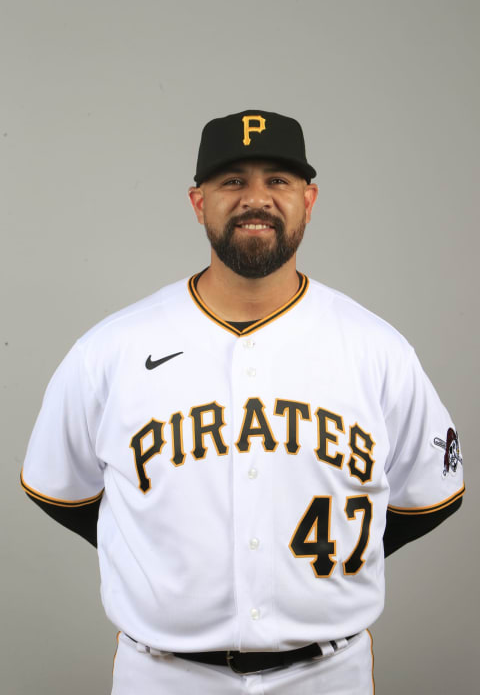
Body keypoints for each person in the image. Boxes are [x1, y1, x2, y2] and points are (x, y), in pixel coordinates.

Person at [22, 109, 464, 694]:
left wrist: (316, 581)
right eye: (233, 181)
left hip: (328, 675)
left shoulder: (376, 349)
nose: (256, 198)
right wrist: (155, 560)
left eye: (277, 180)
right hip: (163, 675)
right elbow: (63, 492)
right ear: (196, 200)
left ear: (309, 199)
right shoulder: (111, 349)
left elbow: (428, 497)